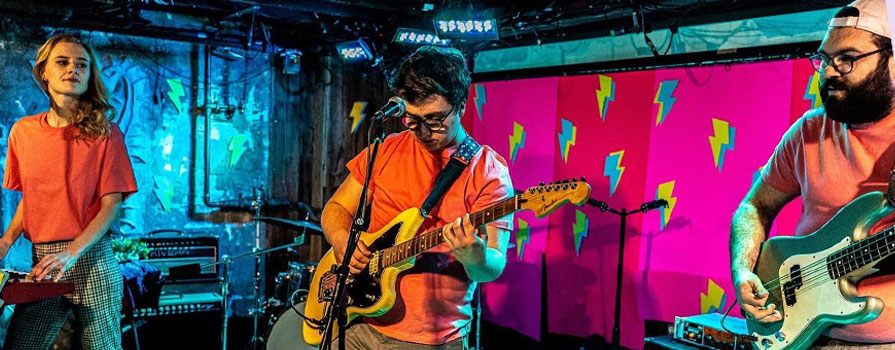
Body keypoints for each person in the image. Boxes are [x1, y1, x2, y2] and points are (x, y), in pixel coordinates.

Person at [321, 46, 513, 349]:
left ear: (461, 106)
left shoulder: (488, 171)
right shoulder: (385, 150)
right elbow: (336, 208)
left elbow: (492, 266)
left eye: (435, 119)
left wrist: (474, 256)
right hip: (358, 322)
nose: (422, 131)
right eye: (412, 119)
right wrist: (344, 241)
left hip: (430, 338)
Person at [730, 0, 895, 348]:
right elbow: (754, 207)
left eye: (847, 58)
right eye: (824, 59)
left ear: (891, 61)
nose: (829, 72)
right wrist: (743, 271)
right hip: (804, 334)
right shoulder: (809, 131)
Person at [0, 34, 138, 350]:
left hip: (93, 259)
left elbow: (111, 205)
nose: (72, 69)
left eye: (82, 64)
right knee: (22, 345)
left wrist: (72, 252)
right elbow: (31, 197)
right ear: (43, 72)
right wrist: (6, 240)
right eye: (62, 62)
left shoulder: (106, 133)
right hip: (44, 264)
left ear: (90, 76)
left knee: (100, 347)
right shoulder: (23, 132)